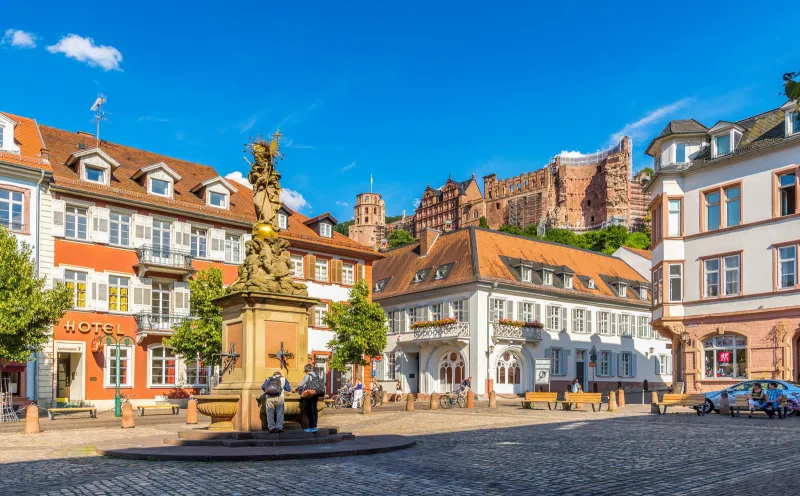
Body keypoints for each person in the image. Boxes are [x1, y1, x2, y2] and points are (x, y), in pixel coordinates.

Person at [294, 364, 321, 433]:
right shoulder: (316, 375)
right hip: (316, 394)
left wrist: (296, 389)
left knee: (309, 411)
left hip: (309, 395)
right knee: (314, 410)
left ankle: (312, 427)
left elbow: (301, 385)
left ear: (306, 370)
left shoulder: (308, 376)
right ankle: (315, 426)